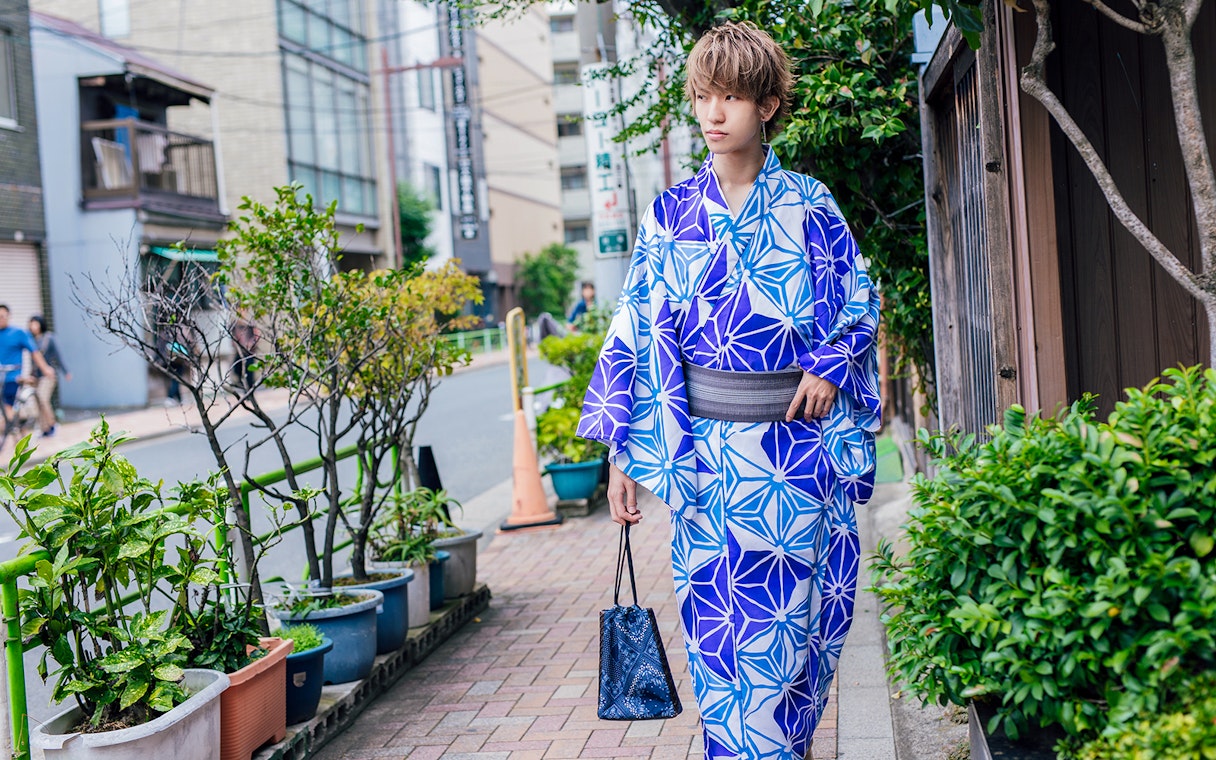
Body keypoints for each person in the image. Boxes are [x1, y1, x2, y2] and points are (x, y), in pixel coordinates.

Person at [576, 22, 880, 760]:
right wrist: (624, 453)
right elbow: (640, 332)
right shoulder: (671, 215)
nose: (713, 114)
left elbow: (860, 297)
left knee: (793, 647)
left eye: (732, 98)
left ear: (769, 105)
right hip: (709, 466)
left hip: (797, 458)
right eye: (704, 97)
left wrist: (830, 363)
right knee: (723, 652)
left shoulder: (808, 204)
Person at [0, 305, 55, 429]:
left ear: (8, 316)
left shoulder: (19, 333)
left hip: (12, 378)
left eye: (2, 316)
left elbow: (34, 352)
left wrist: (45, 369)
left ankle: (48, 425)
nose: (0, 319)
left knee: (10, 408)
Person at [27, 316, 71, 437]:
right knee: (37, 401)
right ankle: (44, 428)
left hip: (48, 375)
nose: (33, 327)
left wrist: (65, 371)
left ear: (41, 324)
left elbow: (58, 355)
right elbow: (32, 360)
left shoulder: (48, 338)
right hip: (36, 376)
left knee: (43, 398)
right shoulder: (30, 340)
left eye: (35, 324)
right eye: (31, 324)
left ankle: (52, 424)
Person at [229, 314, 261, 391]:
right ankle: (243, 386)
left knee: (249, 373)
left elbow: (257, 334)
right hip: (240, 352)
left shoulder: (250, 323)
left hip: (249, 352)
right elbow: (232, 337)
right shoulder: (235, 324)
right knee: (237, 369)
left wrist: (251, 344)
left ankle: (249, 391)